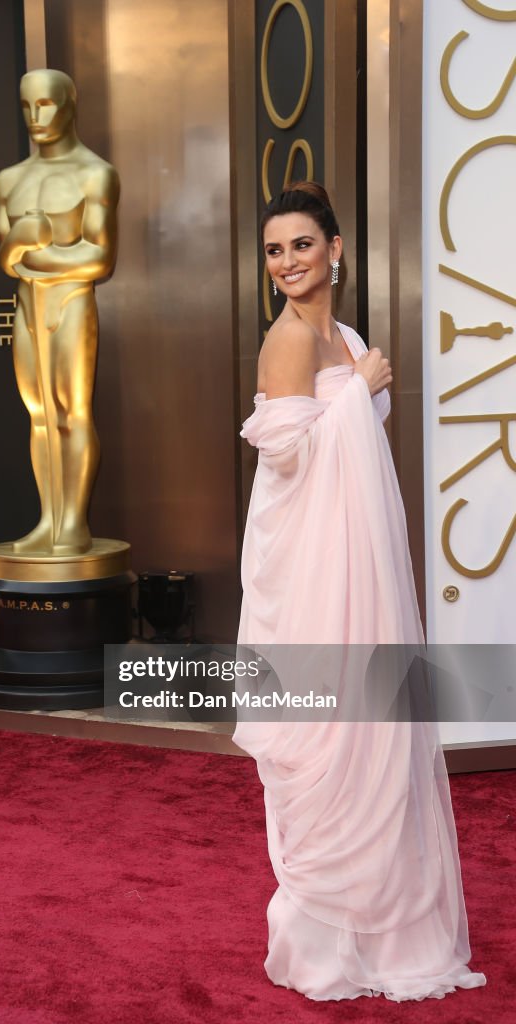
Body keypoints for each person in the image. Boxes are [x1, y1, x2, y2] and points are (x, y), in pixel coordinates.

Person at [232, 182, 486, 1002]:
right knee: (335, 730)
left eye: (301, 245)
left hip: (362, 568)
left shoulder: (343, 335)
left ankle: (386, 933)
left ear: (336, 250)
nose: (287, 263)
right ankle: (326, 942)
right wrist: (364, 388)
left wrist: (363, 375)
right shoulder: (288, 344)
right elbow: (287, 464)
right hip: (314, 571)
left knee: (378, 733)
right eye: (274, 250)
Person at [0, 69, 119, 555]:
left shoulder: (95, 173)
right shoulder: (10, 180)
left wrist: (31, 247)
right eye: (27, 106)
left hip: (70, 303)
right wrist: (21, 247)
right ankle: (48, 519)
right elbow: (4, 260)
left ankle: (74, 524)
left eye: (45, 104)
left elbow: (100, 258)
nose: (35, 117)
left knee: (74, 411)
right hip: (29, 306)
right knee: (40, 414)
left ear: (70, 104)